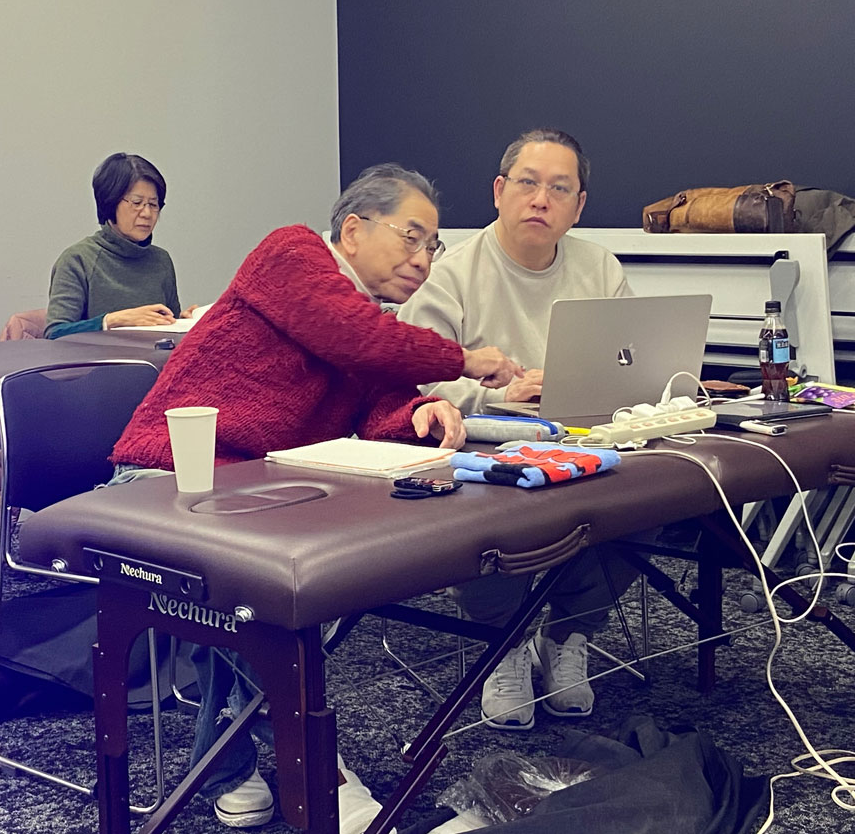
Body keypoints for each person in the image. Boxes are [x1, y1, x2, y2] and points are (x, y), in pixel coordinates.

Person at [109, 163, 521, 831]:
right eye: (412, 238)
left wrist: (419, 413)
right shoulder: (290, 253)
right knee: (249, 593)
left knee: (244, 598)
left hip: (252, 494)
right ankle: (321, 774)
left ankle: (223, 765)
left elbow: (379, 395)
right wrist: (464, 360)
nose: (424, 260)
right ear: (353, 230)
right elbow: (355, 338)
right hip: (161, 478)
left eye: (432, 245)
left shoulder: (368, 319)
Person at [398, 129, 639, 729]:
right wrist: (499, 395)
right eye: (528, 184)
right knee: (490, 517)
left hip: (583, 434)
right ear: (499, 192)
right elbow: (412, 378)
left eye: (559, 189)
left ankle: (568, 635)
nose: (541, 199)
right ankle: (503, 644)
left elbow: (629, 364)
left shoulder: (599, 267)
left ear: (579, 206)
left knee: (658, 496)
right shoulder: (450, 273)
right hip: (487, 442)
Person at [45, 152, 195, 339]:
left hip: (153, 358)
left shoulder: (161, 260)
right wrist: (112, 321)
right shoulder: (78, 259)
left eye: (153, 204)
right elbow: (55, 333)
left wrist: (184, 323)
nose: (147, 213)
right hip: (99, 358)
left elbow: (166, 326)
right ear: (110, 203)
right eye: (137, 203)